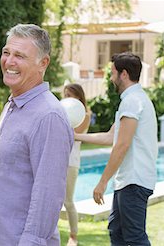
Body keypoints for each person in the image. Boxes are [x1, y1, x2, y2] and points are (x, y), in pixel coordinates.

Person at [0, 23, 74, 245]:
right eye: (6, 52)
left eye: (20, 56)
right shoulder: (13, 106)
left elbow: (47, 195)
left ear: (43, 63)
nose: (9, 62)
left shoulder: (48, 116)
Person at [75, 52, 157, 245]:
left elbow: (122, 145)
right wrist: (75, 136)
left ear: (124, 74)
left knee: (135, 238)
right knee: (117, 232)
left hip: (134, 180)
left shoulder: (133, 101)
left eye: (112, 73)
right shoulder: (133, 100)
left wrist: (102, 182)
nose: (111, 78)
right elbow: (111, 136)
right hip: (128, 181)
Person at [63, 84, 91, 246]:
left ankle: (73, 236)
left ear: (79, 97)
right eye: (66, 95)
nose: (68, 99)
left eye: (71, 95)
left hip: (71, 162)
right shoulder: (62, 112)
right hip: (57, 160)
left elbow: (74, 135)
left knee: (68, 201)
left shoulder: (85, 115)